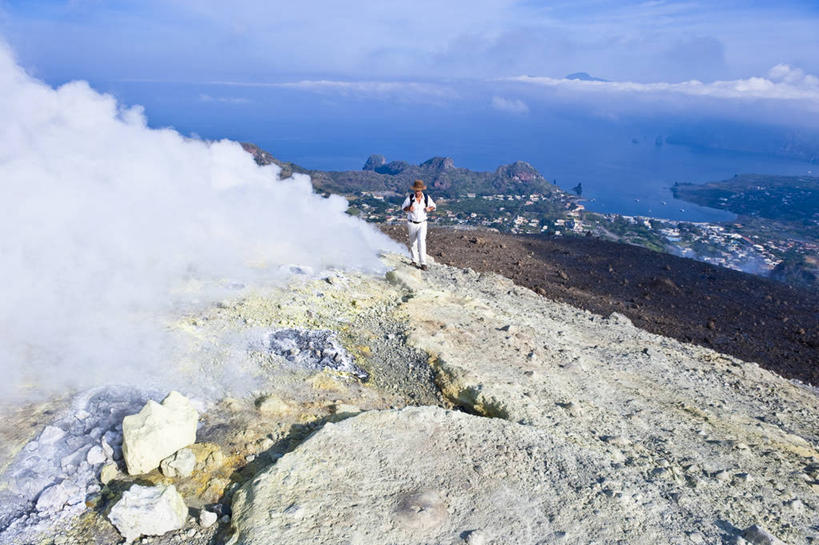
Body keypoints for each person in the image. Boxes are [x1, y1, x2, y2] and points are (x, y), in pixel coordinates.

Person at [401, 179, 436, 270]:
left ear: (422, 190)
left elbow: (434, 206)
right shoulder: (410, 198)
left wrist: (429, 209)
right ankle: (414, 260)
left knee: (421, 241)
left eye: (419, 190)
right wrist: (409, 208)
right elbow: (403, 208)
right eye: (416, 190)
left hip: (422, 223)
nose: (417, 192)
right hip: (412, 223)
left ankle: (423, 263)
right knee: (413, 242)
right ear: (414, 190)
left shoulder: (426, 198)